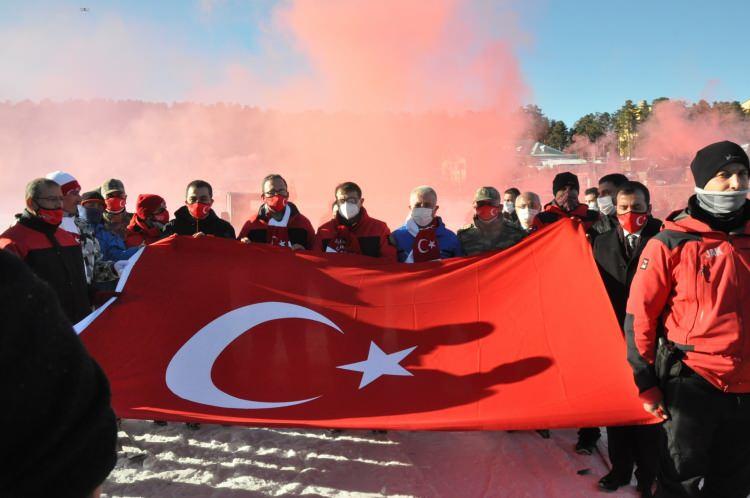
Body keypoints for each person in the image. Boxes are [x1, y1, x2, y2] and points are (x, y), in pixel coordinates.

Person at [626, 140, 750, 498]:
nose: (735, 183)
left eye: (742, 174)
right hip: (693, 381)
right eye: (724, 175)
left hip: (746, 387)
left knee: (734, 482)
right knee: (679, 480)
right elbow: (640, 318)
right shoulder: (670, 242)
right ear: (701, 182)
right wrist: (645, 382)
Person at [0, 249, 117, 498]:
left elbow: (81, 275)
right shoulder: (15, 250)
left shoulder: (68, 239)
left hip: (73, 328)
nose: (63, 206)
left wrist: (93, 295)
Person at [593, 181, 662, 494]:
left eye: (637, 207)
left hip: (654, 339)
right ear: (615, 209)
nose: (630, 213)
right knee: (617, 409)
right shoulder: (601, 242)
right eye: (623, 208)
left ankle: (649, 476)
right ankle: (620, 470)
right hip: (612, 336)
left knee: (650, 411)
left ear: (648, 208)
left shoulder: (663, 238)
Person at [0, 178, 91, 323]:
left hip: (79, 329)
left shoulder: (68, 239)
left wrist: (101, 296)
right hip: (41, 336)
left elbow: (78, 286)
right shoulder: (11, 242)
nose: (58, 205)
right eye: (52, 199)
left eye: (60, 199)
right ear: (31, 203)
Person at [313, 182, 396, 259]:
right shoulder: (324, 232)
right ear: (337, 203)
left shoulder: (379, 229)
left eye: (352, 200)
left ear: (361, 202)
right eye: (342, 201)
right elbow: (316, 262)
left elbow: (389, 261)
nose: (346, 205)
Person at [238, 174, 315, 250]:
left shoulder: (303, 223)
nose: (277, 195)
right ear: (263, 197)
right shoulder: (252, 224)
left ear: (287, 195)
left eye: (281, 191)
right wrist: (242, 246)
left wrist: (305, 251)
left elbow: (317, 252)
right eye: (271, 192)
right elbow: (237, 254)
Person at [389, 186, 461, 262]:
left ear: (435, 209)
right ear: (410, 208)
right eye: (417, 205)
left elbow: (460, 268)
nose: (422, 208)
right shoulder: (396, 237)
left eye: (427, 205)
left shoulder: (450, 238)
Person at [458, 186, 526, 256]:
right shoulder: (463, 235)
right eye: (481, 204)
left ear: (500, 207)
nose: (485, 207)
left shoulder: (516, 233)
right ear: (474, 206)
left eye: (490, 203)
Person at [164, 180, 236, 239]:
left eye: (203, 199)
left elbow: (233, 252)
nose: (197, 203)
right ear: (186, 202)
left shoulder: (224, 228)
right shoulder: (172, 227)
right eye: (193, 199)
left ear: (211, 202)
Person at [533, 172, 599, 235]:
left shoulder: (593, 216)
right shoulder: (542, 219)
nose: (567, 193)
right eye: (563, 189)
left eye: (572, 189)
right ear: (555, 193)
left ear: (577, 192)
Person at [45, 170, 82, 237]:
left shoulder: (82, 225)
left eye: (78, 192)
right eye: (74, 193)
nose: (80, 199)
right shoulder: (44, 227)